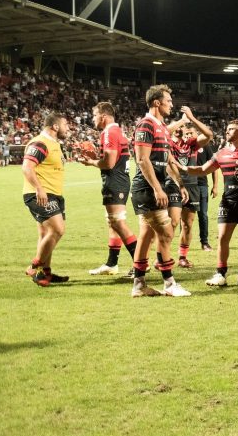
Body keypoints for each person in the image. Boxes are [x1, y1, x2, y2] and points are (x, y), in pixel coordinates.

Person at [128, 85, 191, 297]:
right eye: (169, 101)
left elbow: (167, 159)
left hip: (157, 185)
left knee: (146, 235)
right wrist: (157, 188)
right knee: (165, 233)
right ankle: (170, 284)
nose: (171, 104)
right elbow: (142, 159)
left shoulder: (161, 126)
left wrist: (179, 183)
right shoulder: (146, 125)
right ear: (157, 102)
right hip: (147, 188)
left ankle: (139, 285)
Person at [190, 116, 238, 287]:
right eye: (227, 129)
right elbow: (202, 170)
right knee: (222, 238)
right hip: (228, 202)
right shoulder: (221, 153)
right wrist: (180, 167)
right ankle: (220, 274)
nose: (227, 131)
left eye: (231, 129)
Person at [78, 102, 138, 276]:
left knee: (118, 222)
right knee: (112, 222)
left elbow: (109, 163)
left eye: (95, 115)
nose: (93, 119)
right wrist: (95, 157)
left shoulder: (109, 132)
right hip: (118, 180)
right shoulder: (116, 131)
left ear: (103, 116)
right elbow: (112, 159)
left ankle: (139, 263)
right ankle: (112, 264)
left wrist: (91, 162)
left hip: (115, 181)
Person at [21, 112, 70, 287]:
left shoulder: (54, 144)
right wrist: (39, 188)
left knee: (45, 234)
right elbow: (27, 167)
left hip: (54, 193)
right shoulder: (40, 143)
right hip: (41, 194)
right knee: (58, 230)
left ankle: (45, 273)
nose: (68, 128)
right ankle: (35, 266)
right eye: (65, 125)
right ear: (55, 126)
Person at [168, 108, 213, 270]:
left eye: (184, 129)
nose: (181, 131)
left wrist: (192, 119)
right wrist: (180, 122)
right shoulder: (169, 143)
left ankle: (182, 257)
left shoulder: (192, 145)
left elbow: (209, 135)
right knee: (172, 223)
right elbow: (162, 132)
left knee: (187, 224)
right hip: (173, 186)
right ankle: (163, 256)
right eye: (179, 129)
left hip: (193, 186)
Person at [196, 141, 216, 251]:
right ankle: (184, 245)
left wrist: (215, 186)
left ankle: (204, 242)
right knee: (184, 218)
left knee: (203, 214)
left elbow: (214, 166)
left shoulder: (205, 147)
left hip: (202, 185)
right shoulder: (185, 146)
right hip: (187, 185)